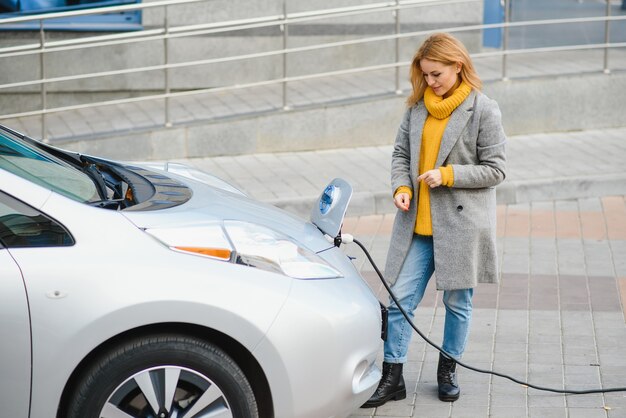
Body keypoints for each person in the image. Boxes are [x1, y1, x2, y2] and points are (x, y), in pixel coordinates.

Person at [362, 32, 506, 408]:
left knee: (458, 304)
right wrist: (400, 188)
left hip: (459, 226)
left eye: (437, 74)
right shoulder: (416, 108)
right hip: (417, 226)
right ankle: (393, 377)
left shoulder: (484, 109)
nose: (430, 82)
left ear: (458, 66)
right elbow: (400, 156)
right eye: (425, 75)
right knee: (399, 300)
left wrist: (449, 175)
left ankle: (448, 369)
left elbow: (496, 170)